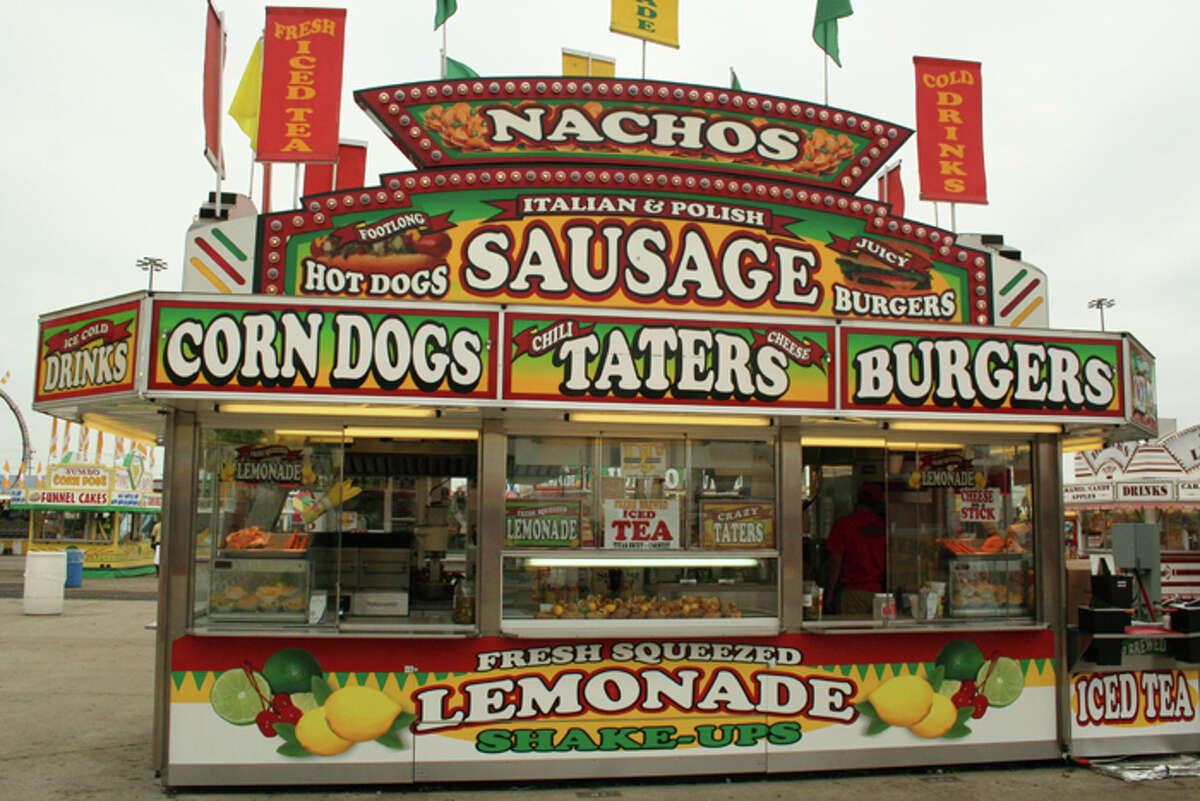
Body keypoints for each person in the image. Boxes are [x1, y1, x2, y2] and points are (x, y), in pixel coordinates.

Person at [822, 482, 886, 615]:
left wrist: (829, 593)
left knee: (851, 634)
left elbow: (835, 563)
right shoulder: (884, 527)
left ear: (857, 499)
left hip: (852, 595)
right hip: (879, 594)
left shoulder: (844, 525)